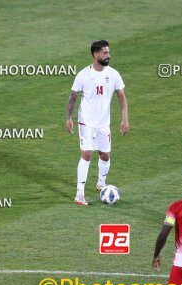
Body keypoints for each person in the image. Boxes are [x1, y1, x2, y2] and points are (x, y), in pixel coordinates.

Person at [65, 40, 129, 205]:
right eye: (105, 53)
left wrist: (125, 119)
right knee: (87, 154)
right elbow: (73, 96)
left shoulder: (113, 74)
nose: (108, 55)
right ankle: (79, 194)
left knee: (105, 155)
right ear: (95, 54)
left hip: (103, 123)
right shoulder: (83, 75)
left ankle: (101, 183)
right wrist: (69, 118)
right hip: (86, 121)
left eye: (108, 52)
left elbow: (121, 95)